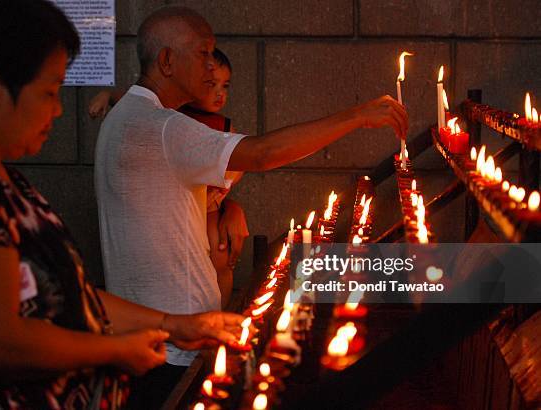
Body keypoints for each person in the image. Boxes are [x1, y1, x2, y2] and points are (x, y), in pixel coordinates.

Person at [0, 1, 244, 408]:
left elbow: (68, 297)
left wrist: (173, 324)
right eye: (48, 92)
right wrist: (115, 350)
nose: (58, 109)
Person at [94, 3, 407, 381]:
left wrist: (230, 207)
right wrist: (356, 117)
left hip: (153, 338)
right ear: (166, 61)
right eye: (203, 54)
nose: (212, 67)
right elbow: (261, 154)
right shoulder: (162, 127)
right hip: (174, 348)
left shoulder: (126, 116)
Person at [90, 48, 245, 309]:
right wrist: (106, 94)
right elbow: (131, 97)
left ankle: (222, 309)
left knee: (220, 257)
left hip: (210, 205)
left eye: (225, 86)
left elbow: (237, 163)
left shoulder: (223, 125)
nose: (219, 92)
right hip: (168, 273)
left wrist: (226, 202)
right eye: (210, 83)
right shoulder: (169, 119)